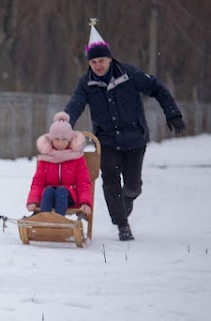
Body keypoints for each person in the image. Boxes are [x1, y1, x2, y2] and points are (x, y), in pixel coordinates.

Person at [62, 19, 186, 241]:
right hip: (106, 141)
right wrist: (64, 125)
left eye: (102, 60)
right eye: (94, 62)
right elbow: (75, 104)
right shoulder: (86, 83)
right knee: (110, 183)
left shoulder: (129, 74)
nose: (98, 66)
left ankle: (127, 200)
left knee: (133, 186)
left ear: (110, 59)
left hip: (135, 139)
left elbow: (157, 88)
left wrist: (173, 113)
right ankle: (122, 225)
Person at [26, 113, 92, 218]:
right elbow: (38, 182)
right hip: (49, 197)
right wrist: (33, 200)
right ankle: (45, 220)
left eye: (64, 139)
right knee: (48, 190)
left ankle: (59, 221)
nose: (60, 143)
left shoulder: (76, 158)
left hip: (70, 197)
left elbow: (83, 182)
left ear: (69, 139)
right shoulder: (46, 157)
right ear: (51, 139)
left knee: (61, 191)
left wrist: (85, 202)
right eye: (57, 139)